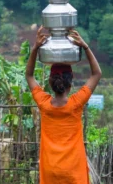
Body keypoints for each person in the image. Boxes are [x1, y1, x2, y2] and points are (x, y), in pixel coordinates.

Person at [26, 26, 102, 184]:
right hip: (73, 171)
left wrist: (35, 48)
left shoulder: (44, 103)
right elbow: (97, 73)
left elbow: (29, 75)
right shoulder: (76, 103)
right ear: (71, 81)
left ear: (50, 82)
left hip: (51, 170)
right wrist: (85, 46)